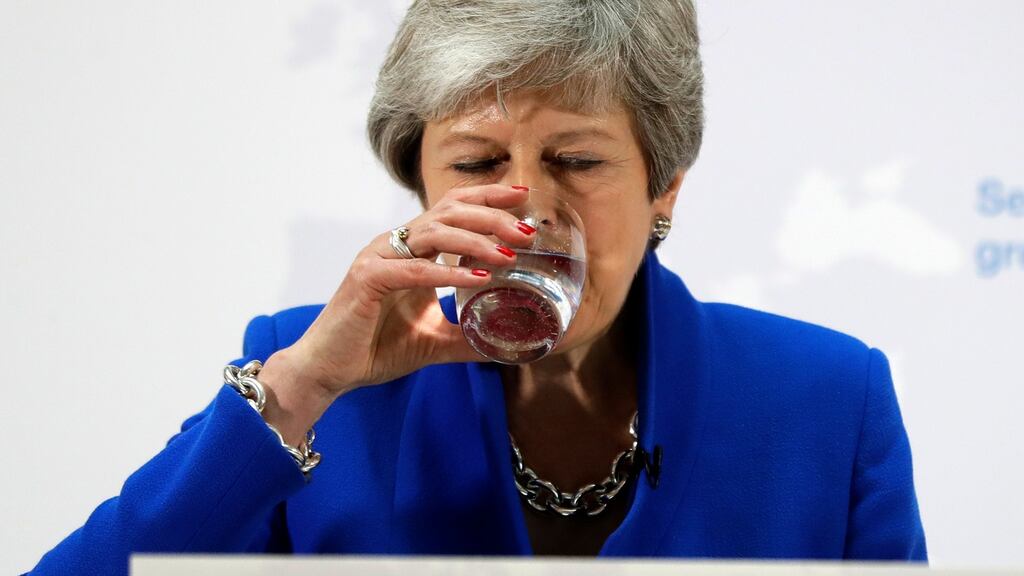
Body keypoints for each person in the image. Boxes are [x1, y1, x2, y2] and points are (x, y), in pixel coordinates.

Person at [29, 0, 926, 574]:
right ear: (420, 184)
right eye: (476, 164)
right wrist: (300, 390)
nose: (527, 206)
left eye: (577, 160)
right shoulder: (305, 371)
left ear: (666, 187)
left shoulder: (828, 399)